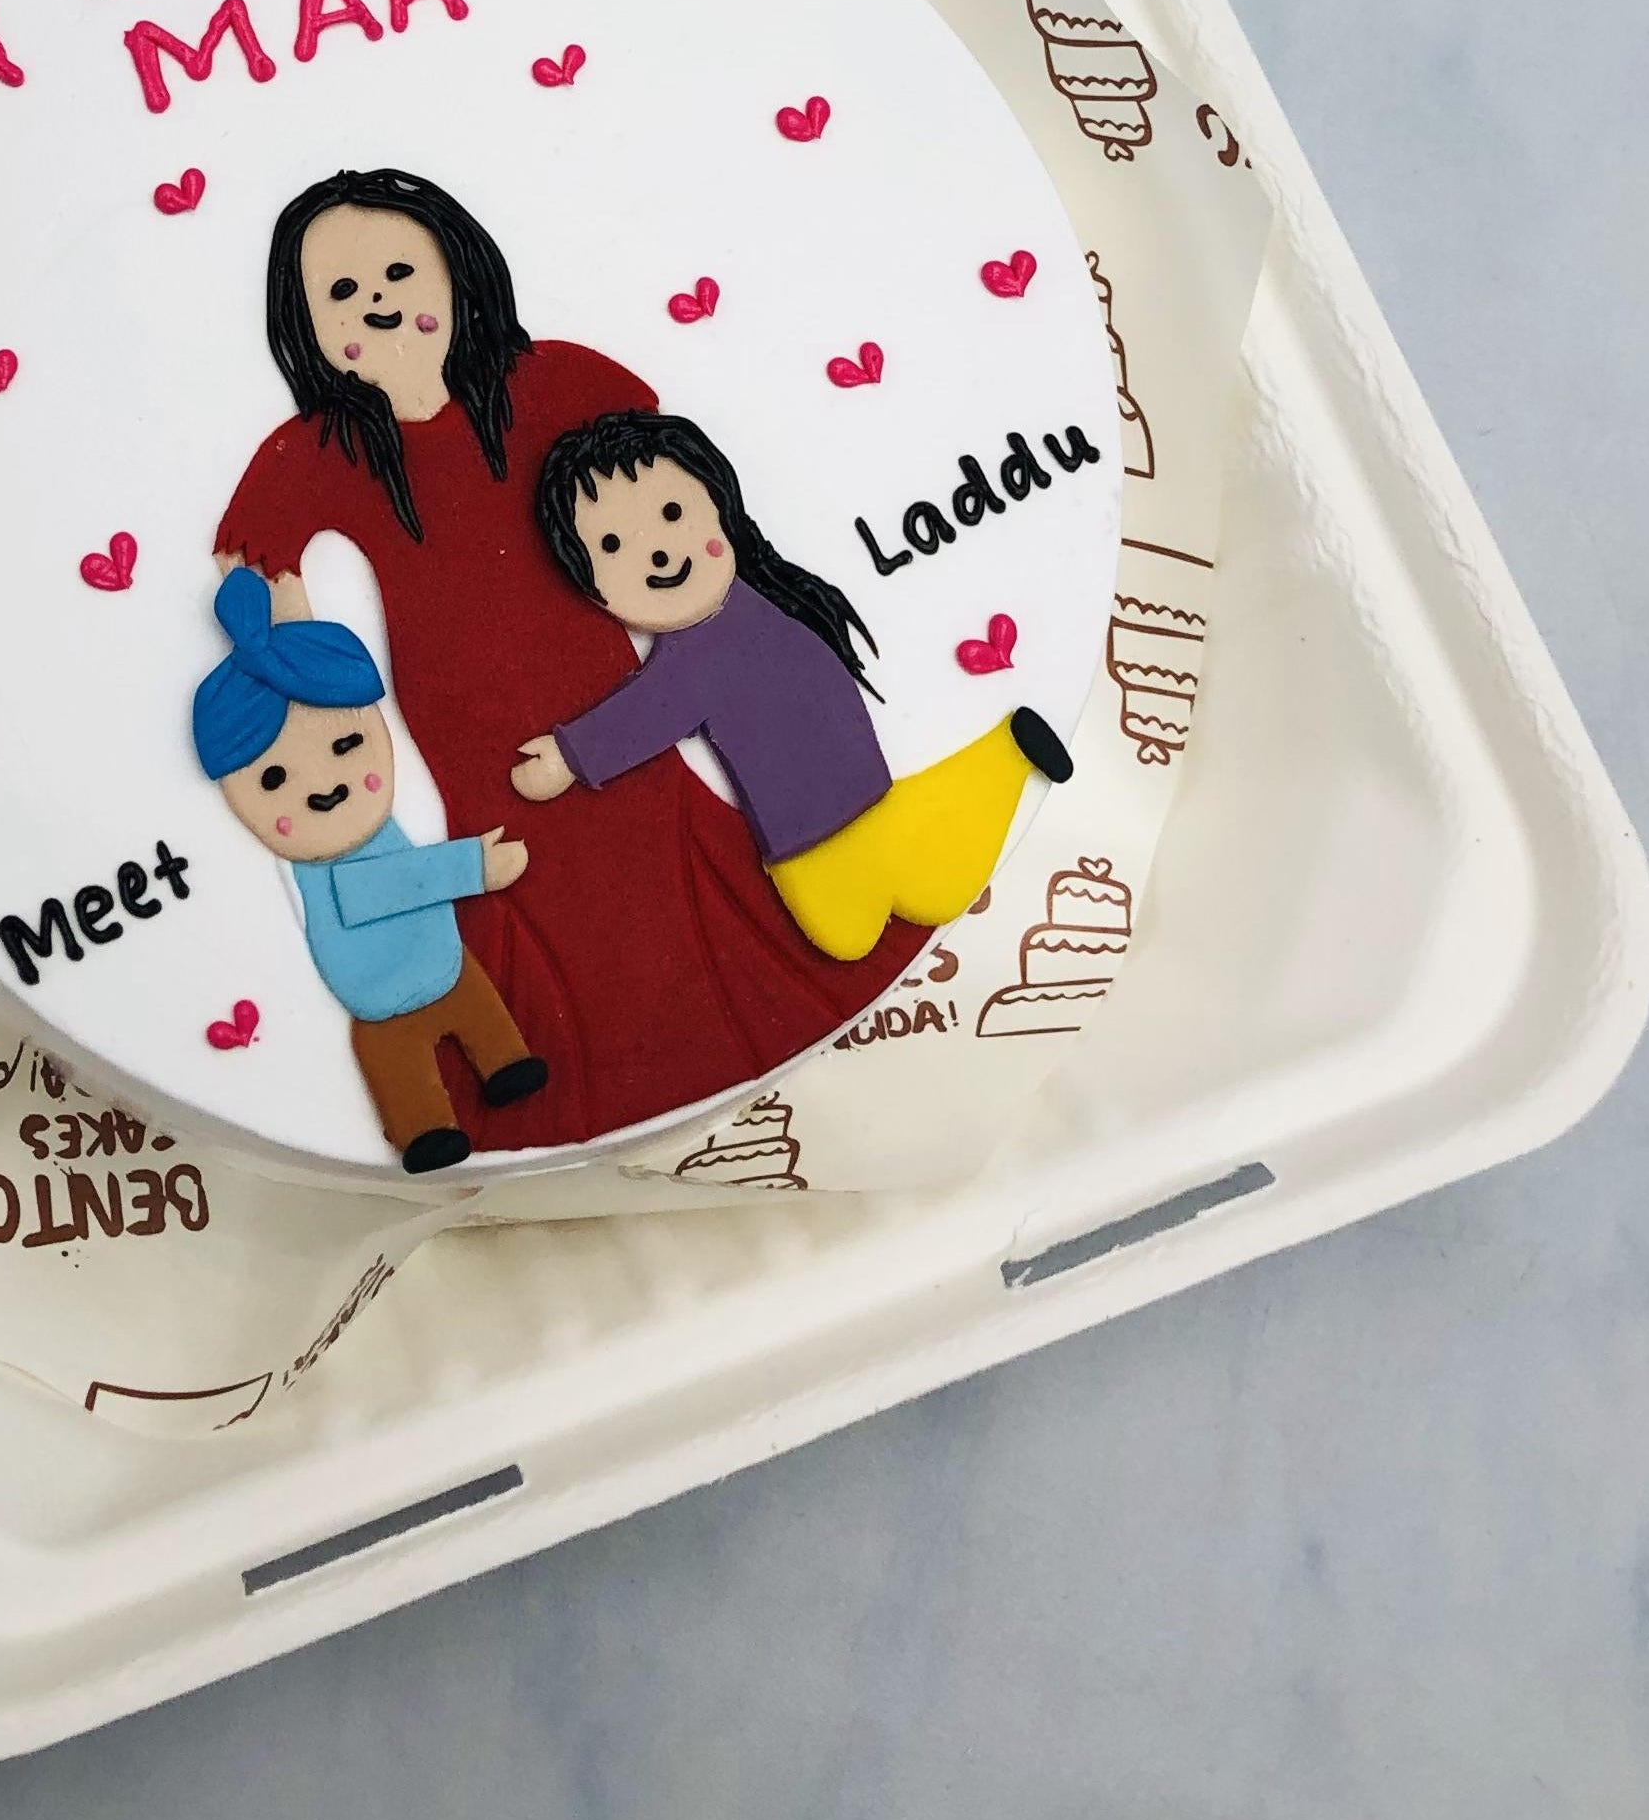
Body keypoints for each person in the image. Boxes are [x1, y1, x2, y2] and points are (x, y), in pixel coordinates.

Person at [214, 166, 921, 1148]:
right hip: (463, 728)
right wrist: (303, 676)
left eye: (396, 271)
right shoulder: (326, 446)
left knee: (649, 842)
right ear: (311, 328)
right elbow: (254, 561)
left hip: (599, 685)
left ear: (457, 272)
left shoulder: (547, 381)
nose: (374, 300)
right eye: (339, 291)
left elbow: (656, 458)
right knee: (524, 874)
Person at [512, 408, 1073, 958]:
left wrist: (571, 757)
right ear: (591, 584)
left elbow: (650, 712)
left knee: (860, 925)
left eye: (673, 511)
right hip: (835, 805)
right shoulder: (746, 617)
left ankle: (1006, 754)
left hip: (815, 828)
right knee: (876, 908)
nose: (657, 549)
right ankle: (1006, 754)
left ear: (719, 506)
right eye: (612, 546)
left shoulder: (706, 649)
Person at [192, 569, 548, 1172]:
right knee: (392, 1048)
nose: (324, 786)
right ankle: (425, 1126)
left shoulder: (387, 820)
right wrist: (470, 866)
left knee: (468, 991)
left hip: (440, 955)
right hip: (373, 987)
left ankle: (505, 1062)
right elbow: (370, 889)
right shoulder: (314, 866)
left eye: (345, 746)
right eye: (273, 779)